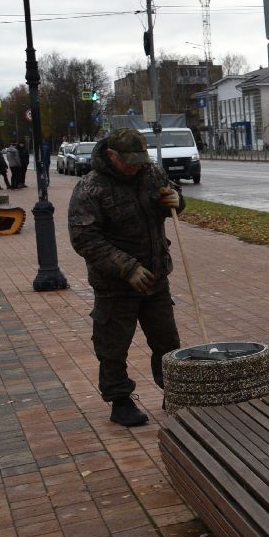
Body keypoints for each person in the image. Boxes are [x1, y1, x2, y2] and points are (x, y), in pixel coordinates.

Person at [67, 128, 185, 428]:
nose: (136, 166)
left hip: (156, 278)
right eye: (129, 161)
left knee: (167, 341)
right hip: (115, 284)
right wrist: (128, 268)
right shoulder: (91, 188)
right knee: (113, 346)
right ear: (111, 156)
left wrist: (176, 201)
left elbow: (171, 203)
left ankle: (173, 392)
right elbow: (84, 238)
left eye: (140, 159)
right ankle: (120, 400)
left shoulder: (152, 173)